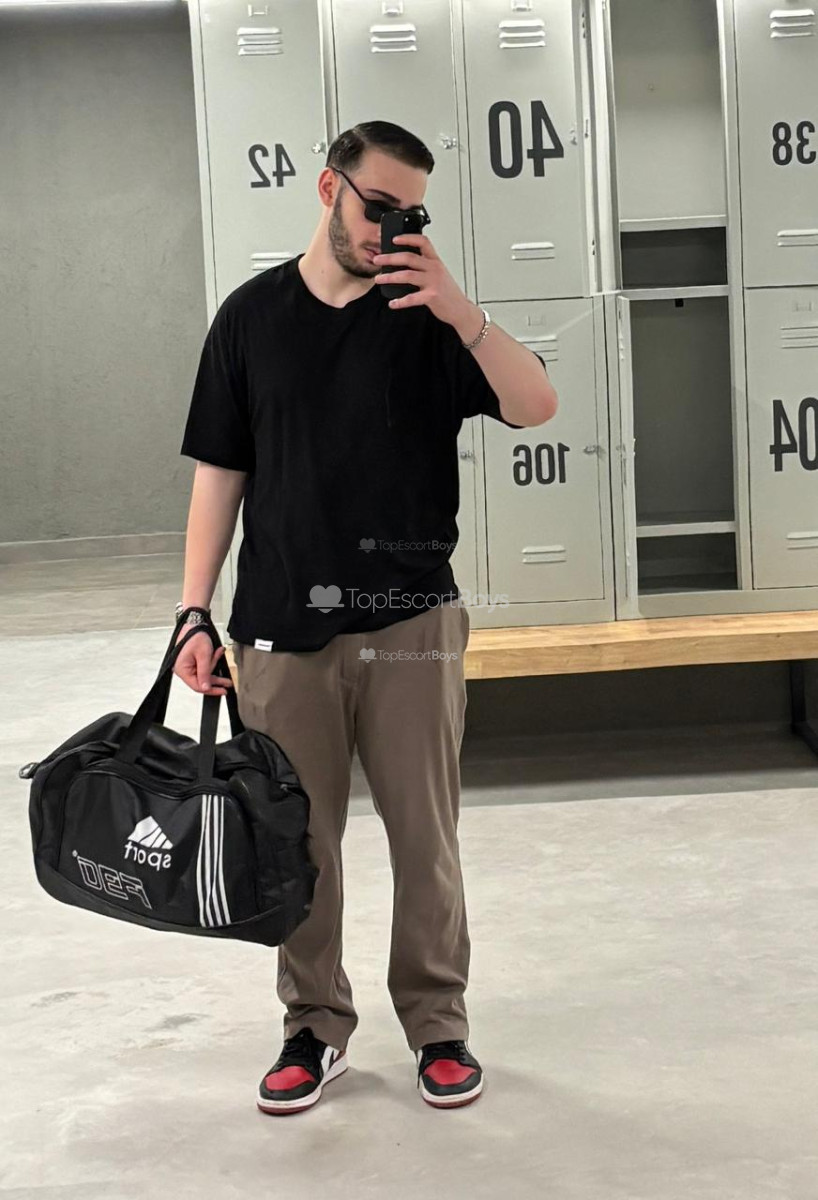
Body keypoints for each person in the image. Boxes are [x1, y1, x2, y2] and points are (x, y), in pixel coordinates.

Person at [175, 120, 558, 1114]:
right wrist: (191, 611)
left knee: (424, 836)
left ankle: (438, 1024)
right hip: (279, 629)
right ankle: (312, 1026)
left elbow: (535, 405)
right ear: (327, 190)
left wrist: (459, 308)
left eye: (410, 213)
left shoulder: (427, 318)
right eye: (378, 206)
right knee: (297, 841)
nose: (391, 228)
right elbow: (221, 471)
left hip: (409, 624)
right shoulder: (250, 318)